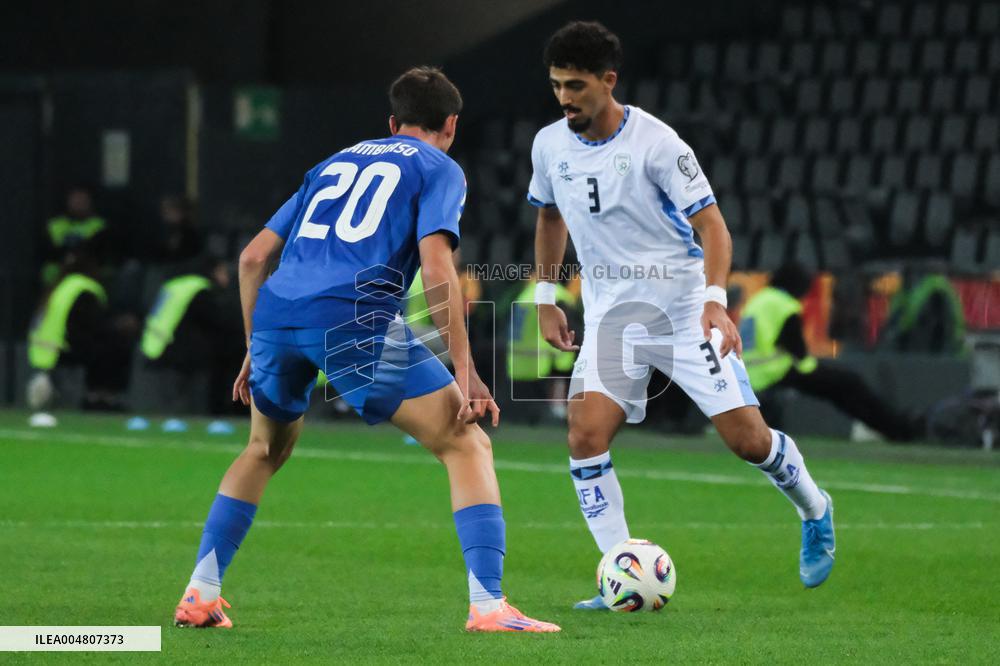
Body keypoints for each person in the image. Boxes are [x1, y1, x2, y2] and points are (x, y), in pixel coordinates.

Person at [173, 67, 559, 633]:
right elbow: (435, 267)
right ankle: (489, 606)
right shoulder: (439, 167)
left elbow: (253, 258)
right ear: (450, 124)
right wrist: (467, 368)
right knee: (465, 442)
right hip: (352, 319)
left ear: (391, 121)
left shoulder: (331, 163)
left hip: (278, 315)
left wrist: (256, 343)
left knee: (261, 450)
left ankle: (200, 595)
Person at [528, 22, 835, 610]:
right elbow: (548, 218)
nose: (564, 98)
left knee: (748, 442)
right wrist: (546, 298)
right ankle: (617, 574)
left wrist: (716, 300)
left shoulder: (658, 143)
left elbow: (712, 226)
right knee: (585, 436)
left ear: (608, 81)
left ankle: (815, 508)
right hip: (614, 320)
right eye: (556, 86)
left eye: (575, 86)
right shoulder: (548, 145)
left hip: (682, 310)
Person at [743, 262, 925, 442]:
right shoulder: (784, 304)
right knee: (849, 383)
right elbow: (796, 348)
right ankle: (896, 428)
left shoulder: (759, 299)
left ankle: (889, 427)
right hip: (773, 371)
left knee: (840, 389)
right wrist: (810, 366)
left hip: (751, 373)